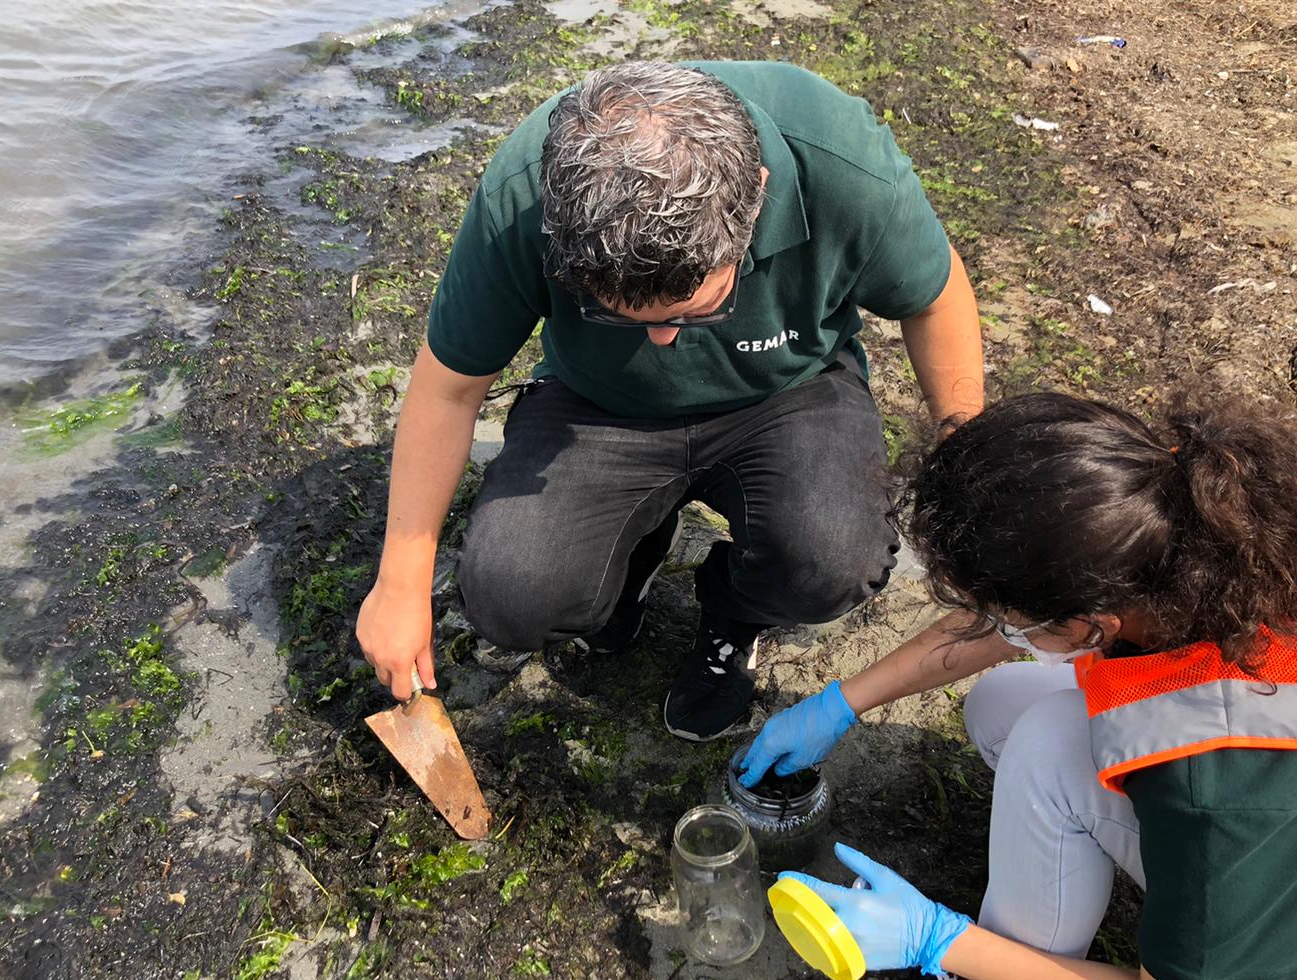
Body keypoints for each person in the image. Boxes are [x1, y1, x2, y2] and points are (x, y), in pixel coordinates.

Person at [740, 392, 1297, 980]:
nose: (988, 625)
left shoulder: (1227, 783)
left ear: (1091, 624)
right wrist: (841, 704)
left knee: (1049, 749)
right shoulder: (1198, 504)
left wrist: (941, 939)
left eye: (998, 611)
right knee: (1005, 708)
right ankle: (1227, 921)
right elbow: (1023, 622)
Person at [355, 60, 983, 740]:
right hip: (597, 402)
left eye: (694, 310)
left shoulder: (840, 161)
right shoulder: (522, 194)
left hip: (788, 388)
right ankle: (632, 556)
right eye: (620, 313)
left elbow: (935, 297)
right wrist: (400, 582)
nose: (660, 339)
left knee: (832, 562)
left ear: (757, 199)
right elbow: (449, 387)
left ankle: (732, 618)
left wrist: (965, 463)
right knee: (511, 596)